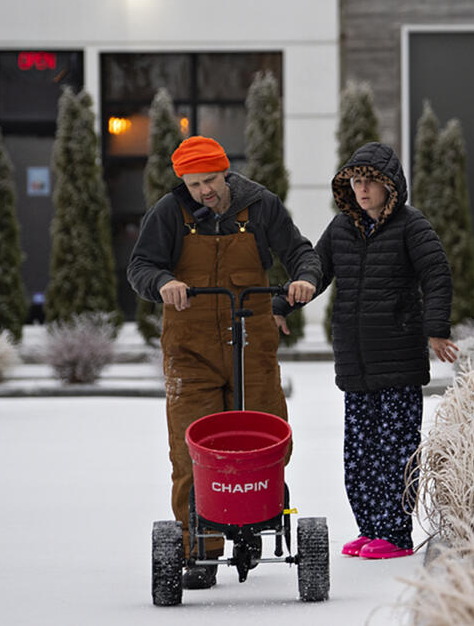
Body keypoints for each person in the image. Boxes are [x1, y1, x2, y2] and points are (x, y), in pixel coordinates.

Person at [127, 135, 319, 589]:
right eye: (193, 185)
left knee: (265, 443)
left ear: (225, 172)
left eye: (209, 181)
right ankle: (200, 551)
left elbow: (300, 253)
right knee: (191, 451)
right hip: (190, 353)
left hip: (251, 344)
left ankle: (255, 526)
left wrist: (303, 282)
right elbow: (140, 267)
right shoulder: (169, 214)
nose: (203, 192)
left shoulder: (260, 207)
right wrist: (162, 282)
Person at [281, 141, 456, 560]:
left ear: (389, 186)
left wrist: (435, 331)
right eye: (356, 182)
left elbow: (438, 274)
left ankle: (395, 535)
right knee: (359, 455)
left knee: (395, 452)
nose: (362, 190)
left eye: (370, 183)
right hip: (356, 363)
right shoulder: (341, 228)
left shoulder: (412, 226)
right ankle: (369, 527)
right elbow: (316, 270)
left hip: (397, 361)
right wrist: (281, 306)